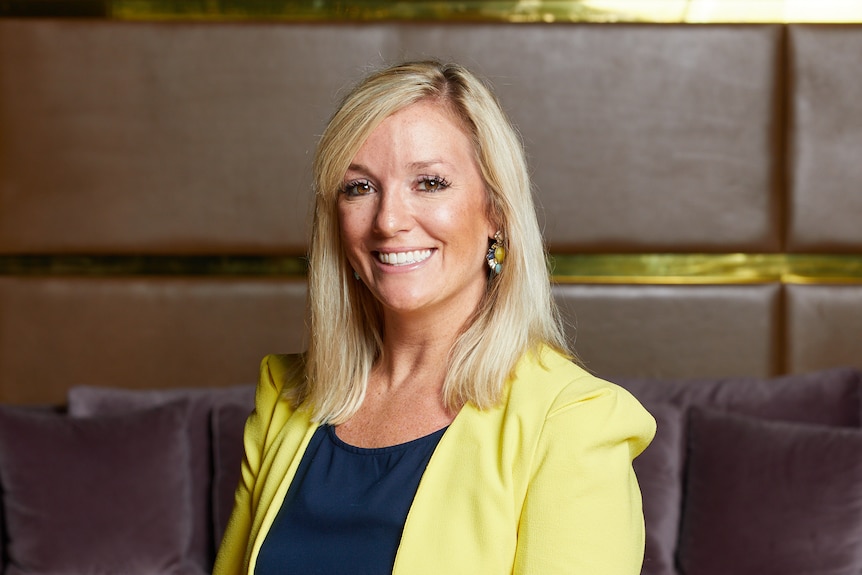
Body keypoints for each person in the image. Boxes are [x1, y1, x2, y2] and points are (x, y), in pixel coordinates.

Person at [213, 59, 655, 575]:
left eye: (429, 182)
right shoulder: (285, 397)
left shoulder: (574, 420)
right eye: (359, 187)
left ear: (496, 212)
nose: (389, 221)